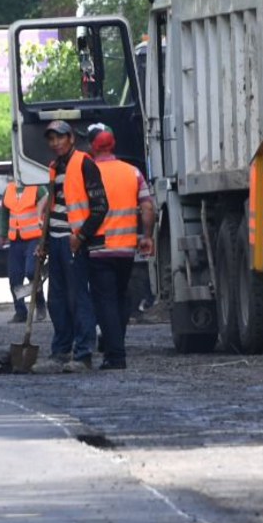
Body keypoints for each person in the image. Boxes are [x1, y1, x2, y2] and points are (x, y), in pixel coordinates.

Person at [34, 120, 107, 373]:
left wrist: (81, 236)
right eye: (52, 139)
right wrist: (42, 243)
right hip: (54, 240)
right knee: (56, 299)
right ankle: (60, 351)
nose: (55, 143)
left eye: (60, 138)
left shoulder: (84, 163)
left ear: (71, 139)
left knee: (78, 298)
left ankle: (83, 353)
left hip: (73, 242)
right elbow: (54, 206)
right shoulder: (55, 168)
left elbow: (100, 206)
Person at [82, 126, 154, 370]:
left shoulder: (88, 174)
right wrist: (147, 236)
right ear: (112, 145)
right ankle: (115, 346)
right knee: (120, 298)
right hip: (126, 249)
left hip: (99, 248)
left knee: (105, 302)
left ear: (92, 147)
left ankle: (115, 355)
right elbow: (147, 207)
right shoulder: (132, 172)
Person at [0, 174, 46, 324]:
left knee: (32, 271)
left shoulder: (37, 187)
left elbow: (47, 207)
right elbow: (4, 213)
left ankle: (39, 302)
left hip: (34, 238)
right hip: (16, 240)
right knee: (14, 277)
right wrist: (2, 233)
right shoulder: (9, 189)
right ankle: (21, 312)